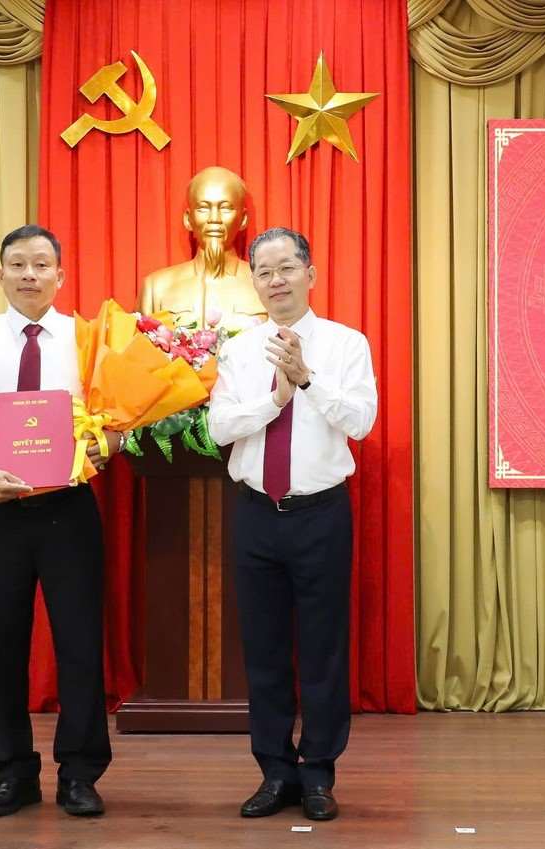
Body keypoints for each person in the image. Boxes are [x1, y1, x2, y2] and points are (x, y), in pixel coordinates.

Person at [0, 224, 124, 817]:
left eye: (41, 265)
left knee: (78, 644)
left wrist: (112, 443)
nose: (29, 275)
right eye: (17, 264)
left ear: (60, 275)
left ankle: (80, 772)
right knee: (2, 643)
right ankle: (11, 773)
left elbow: (115, 416)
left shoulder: (88, 340)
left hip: (69, 510)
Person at [207, 227, 378, 822]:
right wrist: (273, 402)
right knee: (264, 651)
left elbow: (360, 422)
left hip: (321, 514)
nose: (275, 281)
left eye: (286, 268)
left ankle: (320, 774)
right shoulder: (238, 348)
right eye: (264, 272)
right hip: (256, 513)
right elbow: (220, 429)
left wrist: (306, 379)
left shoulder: (345, 344)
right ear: (253, 281)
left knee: (325, 650)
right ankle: (275, 772)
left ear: (310, 272)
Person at [138, 166, 267, 326]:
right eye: (203, 208)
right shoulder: (156, 288)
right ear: (188, 219)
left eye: (225, 208)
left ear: (243, 219)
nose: (214, 218)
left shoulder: (267, 284)